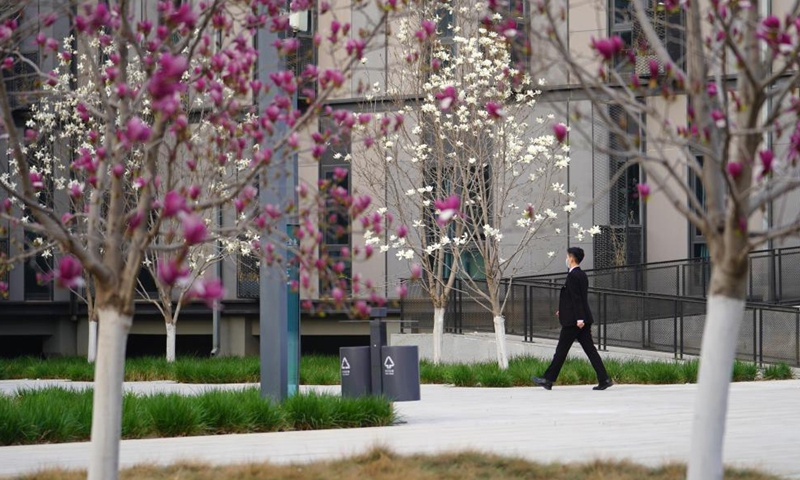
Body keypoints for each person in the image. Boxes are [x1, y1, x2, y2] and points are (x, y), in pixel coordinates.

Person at [532, 247, 613, 390]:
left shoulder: (573, 276)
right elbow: (574, 298)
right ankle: (604, 379)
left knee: (561, 351)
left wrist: (579, 318)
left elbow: (577, 298)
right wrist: (563, 311)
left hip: (575, 322)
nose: (566, 259)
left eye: (567, 256)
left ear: (572, 258)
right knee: (590, 350)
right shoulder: (582, 274)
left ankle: (548, 380)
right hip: (579, 319)